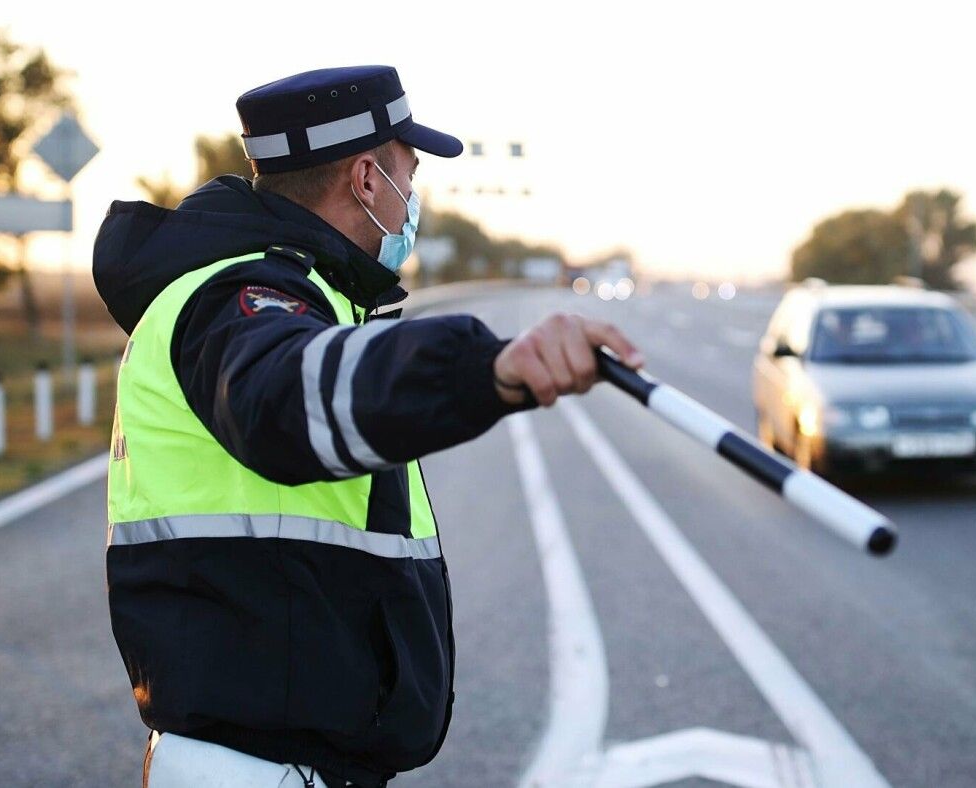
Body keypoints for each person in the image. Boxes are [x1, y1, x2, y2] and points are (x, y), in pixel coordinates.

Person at [92, 65, 642, 787]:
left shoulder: (297, 292)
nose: (413, 199)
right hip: (261, 771)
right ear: (365, 180)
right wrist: (488, 367)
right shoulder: (242, 296)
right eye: (409, 175)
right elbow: (284, 398)